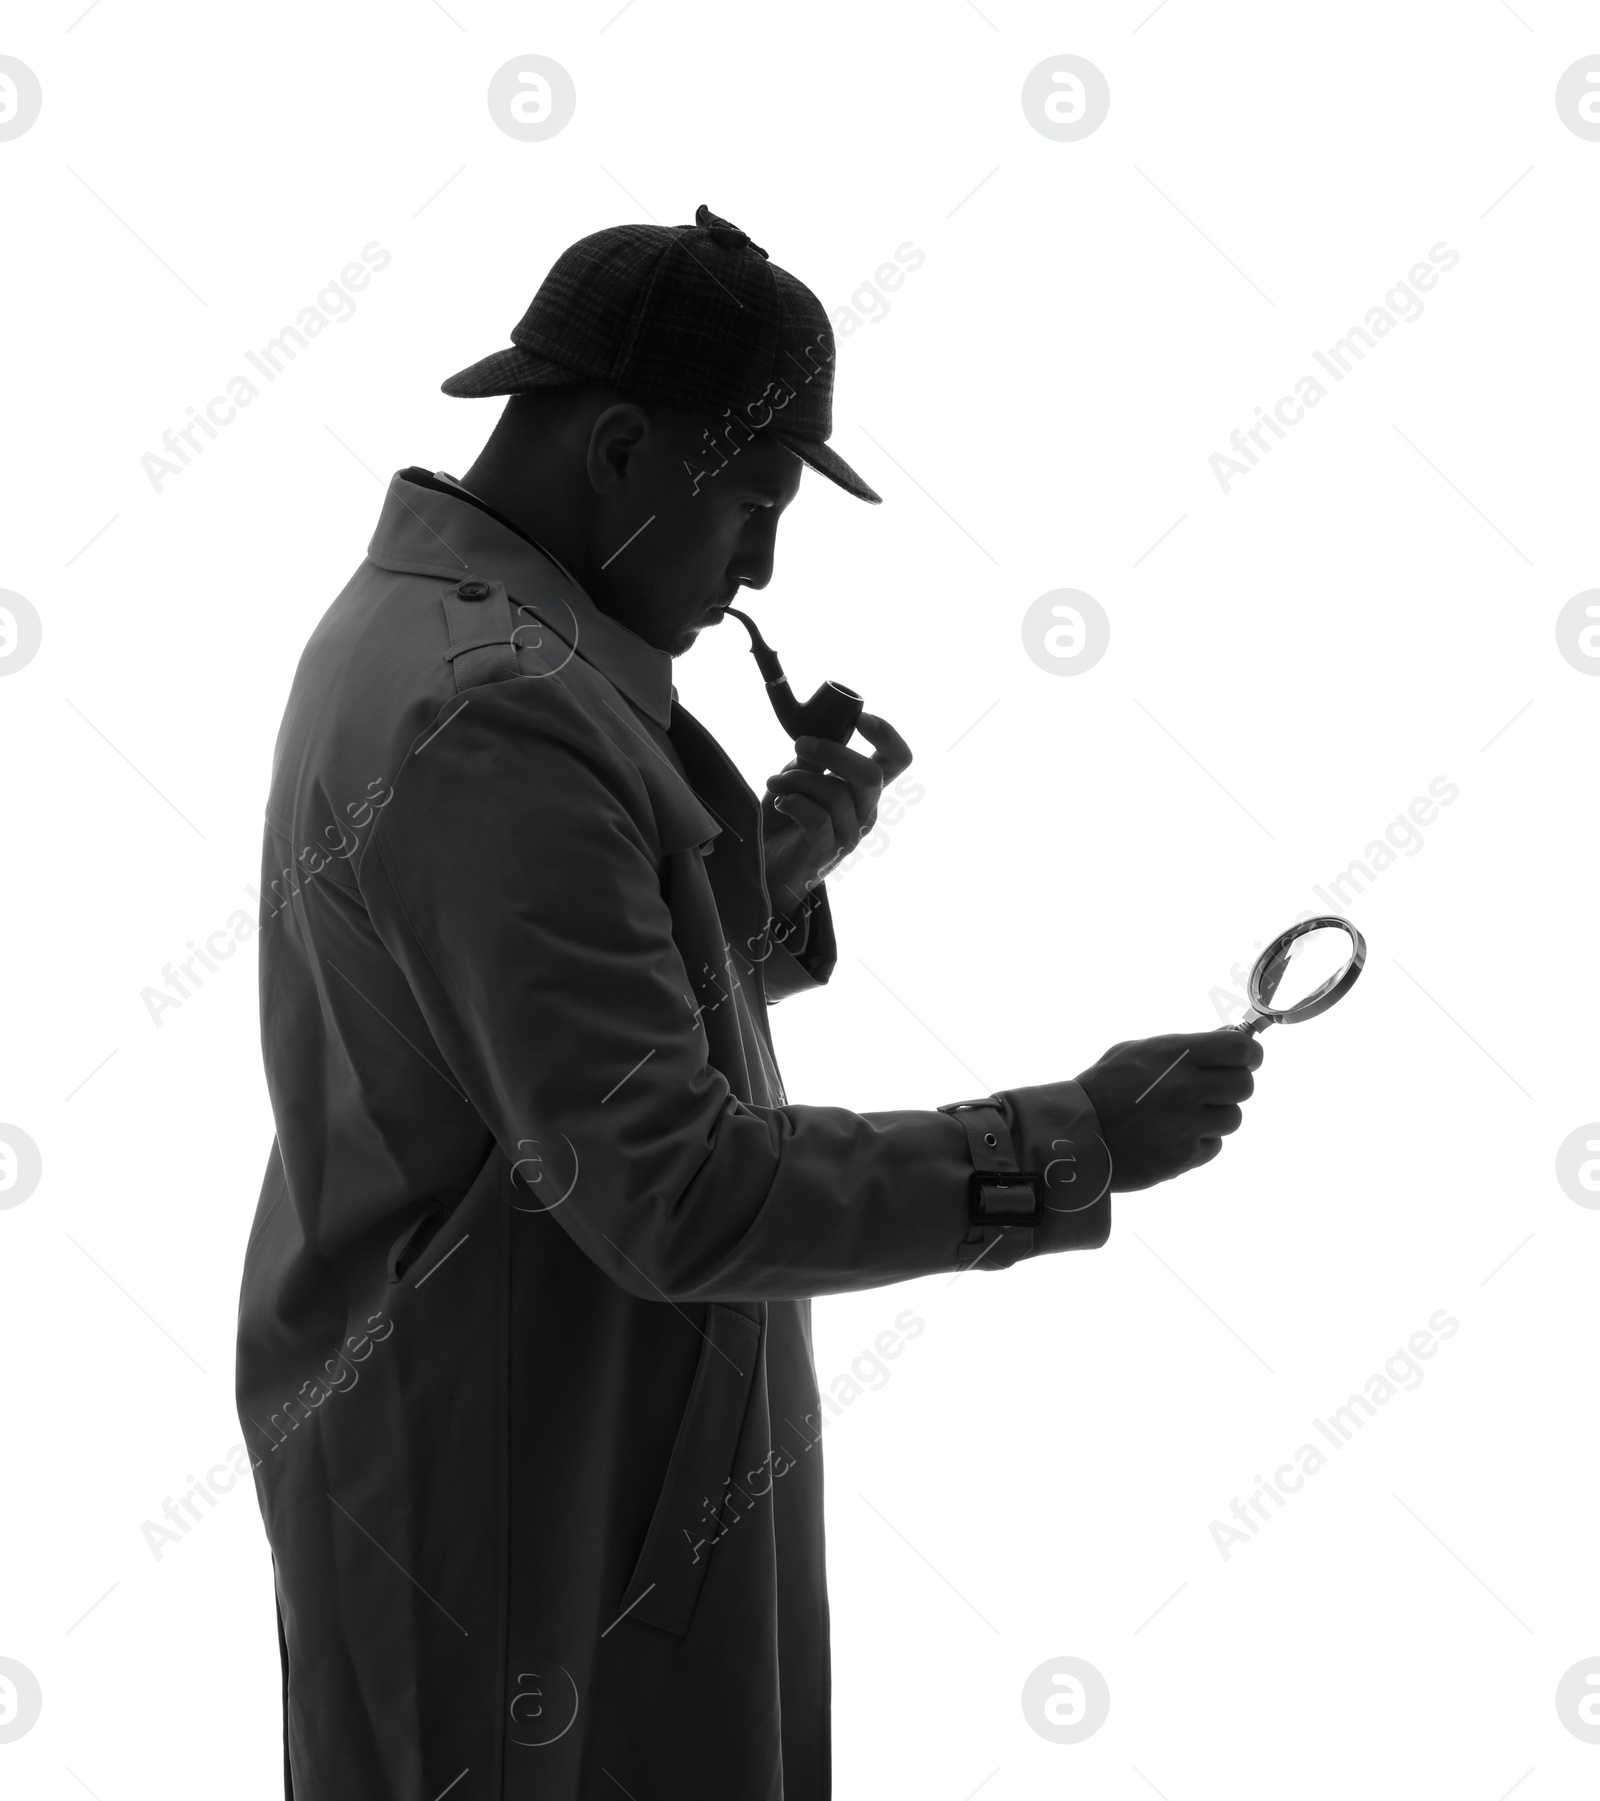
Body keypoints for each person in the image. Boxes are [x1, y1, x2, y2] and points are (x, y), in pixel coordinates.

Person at [235, 204, 1263, 1800]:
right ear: (629, 448)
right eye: (758, 501)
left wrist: (754, 871)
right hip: (508, 1499)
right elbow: (668, 1186)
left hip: (539, 1441)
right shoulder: (495, 710)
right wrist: (1076, 1141)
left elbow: (508, 1023)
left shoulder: (438, 635)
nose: (764, 567)